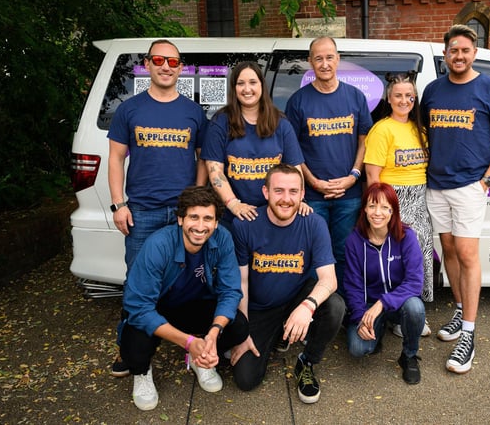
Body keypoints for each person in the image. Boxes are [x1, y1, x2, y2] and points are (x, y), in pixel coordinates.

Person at [107, 39, 208, 376]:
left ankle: (194, 349)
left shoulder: (193, 112)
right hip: (143, 212)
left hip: (183, 216)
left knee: (192, 283)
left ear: (181, 69)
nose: (167, 66)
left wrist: (196, 199)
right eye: (159, 60)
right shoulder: (129, 109)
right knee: (137, 284)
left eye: (174, 61)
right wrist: (119, 204)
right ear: (147, 64)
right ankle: (132, 353)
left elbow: (202, 160)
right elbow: (116, 158)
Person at [420, 25, 490, 374]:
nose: (458, 56)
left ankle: (469, 336)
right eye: (452, 50)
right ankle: (460, 311)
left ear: (474, 53)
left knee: (467, 254)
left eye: (464, 50)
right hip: (436, 185)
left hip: (469, 187)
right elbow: (424, 135)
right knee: (448, 251)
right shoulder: (432, 91)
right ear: (445, 54)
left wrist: (487, 179)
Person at [118, 186, 249, 411]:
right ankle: (142, 372)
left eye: (208, 218)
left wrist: (213, 333)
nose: (200, 226)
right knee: (134, 344)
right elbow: (139, 307)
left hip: (194, 305)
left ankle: (201, 358)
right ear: (180, 219)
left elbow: (230, 291)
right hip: (157, 309)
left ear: (216, 223)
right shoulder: (158, 245)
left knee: (238, 326)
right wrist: (188, 342)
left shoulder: (223, 239)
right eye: (193, 217)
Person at [229, 163, 345, 403]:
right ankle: (279, 334)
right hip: (260, 308)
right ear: (266, 192)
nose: (286, 199)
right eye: (279, 191)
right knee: (246, 379)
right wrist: (243, 332)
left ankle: (307, 361)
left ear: (302, 195)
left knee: (335, 306)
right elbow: (241, 283)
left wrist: (307, 307)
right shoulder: (244, 224)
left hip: (295, 297)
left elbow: (329, 279)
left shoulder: (314, 223)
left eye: (293, 192)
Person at [285, 36, 373, 294]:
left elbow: (364, 141)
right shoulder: (298, 101)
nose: (324, 63)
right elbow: (292, 150)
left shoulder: (355, 97)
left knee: (345, 253)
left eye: (329, 57)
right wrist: (313, 182)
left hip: (349, 195)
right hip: (312, 197)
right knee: (313, 256)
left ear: (338, 59)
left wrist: (354, 176)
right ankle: (316, 313)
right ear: (310, 62)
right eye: (318, 58)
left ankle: (346, 309)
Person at [364, 73, 433, 338]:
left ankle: (414, 314)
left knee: (421, 256)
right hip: (393, 199)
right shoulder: (382, 129)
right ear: (389, 99)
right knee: (397, 260)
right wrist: (379, 210)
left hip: (418, 197)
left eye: (409, 96)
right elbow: (372, 176)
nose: (404, 100)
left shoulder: (420, 128)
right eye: (398, 96)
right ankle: (396, 317)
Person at [201, 61, 307, 230]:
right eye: (240, 83)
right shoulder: (220, 122)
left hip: (274, 216)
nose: (247, 89)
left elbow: (294, 168)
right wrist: (234, 204)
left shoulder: (281, 123)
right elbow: (215, 171)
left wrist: (298, 200)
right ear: (234, 88)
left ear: (261, 86)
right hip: (234, 218)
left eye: (252, 82)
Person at [343, 183, 426, 384]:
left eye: (384, 207)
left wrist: (383, 303)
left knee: (415, 308)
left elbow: (415, 283)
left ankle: (408, 356)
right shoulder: (355, 241)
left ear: (393, 211)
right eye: (372, 206)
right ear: (364, 209)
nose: (377, 213)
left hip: (399, 302)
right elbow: (352, 285)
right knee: (358, 349)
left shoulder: (406, 237)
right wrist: (360, 317)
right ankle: (376, 332)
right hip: (369, 305)